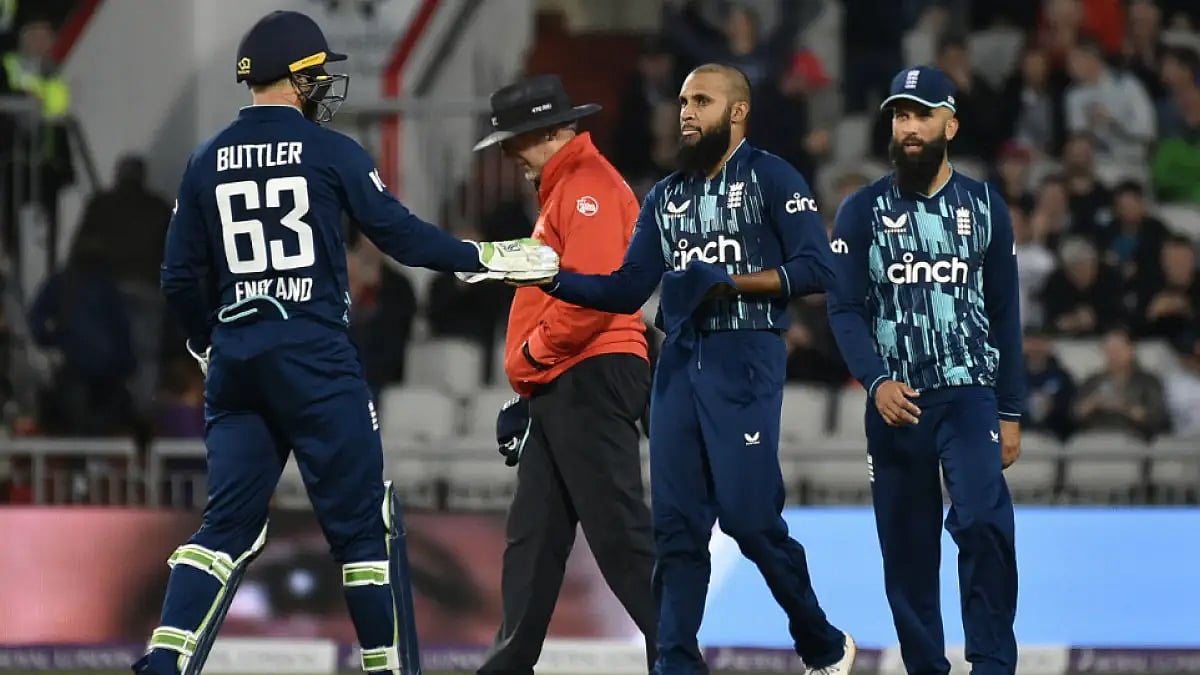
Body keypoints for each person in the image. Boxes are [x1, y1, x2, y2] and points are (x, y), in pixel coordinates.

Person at [132, 11, 558, 675]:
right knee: (364, 529)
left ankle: (165, 658)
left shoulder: (205, 158)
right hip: (313, 353)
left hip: (238, 353)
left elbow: (178, 276)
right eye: (318, 73)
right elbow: (402, 236)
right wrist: (488, 255)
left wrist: (205, 343)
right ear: (296, 78)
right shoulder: (330, 152)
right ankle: (385, 668)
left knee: (226, 527)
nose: (325, 84)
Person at [509, 63, 856, 675]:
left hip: (745, 358)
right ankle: (675, 665)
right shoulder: (667, 196)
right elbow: (625, 289)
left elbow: (821, 270)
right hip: (676, 366)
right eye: (682, 101)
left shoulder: (774, 179)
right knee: (675, 531)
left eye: (701, 101)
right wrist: (549, 277)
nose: (687, 112)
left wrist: (730, 285)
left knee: (750, 521)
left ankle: (821, 641)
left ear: (738, 112)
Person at [825, 65, 1025, 675]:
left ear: (951, 124)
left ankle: (992, 663)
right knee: (907, 553)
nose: (908, 128)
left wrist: (1011, 409)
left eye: (921, 115)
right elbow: (844, 308)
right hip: (897, 401)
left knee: (985, 523)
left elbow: (1005, 311)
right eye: (899, 116)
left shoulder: (984, 205)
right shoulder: (861, 211)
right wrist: (877, 381)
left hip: (968, 396)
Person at [466, 74, 658, 675]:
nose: (508, 153)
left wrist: (529, 359)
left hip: (588, 371)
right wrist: (533, 381)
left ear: (552, 132)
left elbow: (594, 296)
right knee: (533, 542)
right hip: (568, 377)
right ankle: (506, 667)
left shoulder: (585, 188)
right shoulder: (568, 187)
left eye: (516, 140)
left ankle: (682, 655)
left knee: (620, 536)